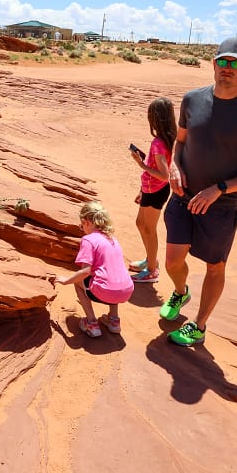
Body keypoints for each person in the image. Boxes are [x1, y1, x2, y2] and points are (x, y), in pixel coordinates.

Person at [159, 37, 237, 346]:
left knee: (215, 266)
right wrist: (173, 166)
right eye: (222, 61)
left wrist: (219, 189)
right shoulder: (192, 100)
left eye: (236, 63)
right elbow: (180, 141)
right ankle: (181, 291)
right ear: (213, 63)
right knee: (172, 261)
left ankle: (198, 325)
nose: (228, 68)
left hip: (223, 206)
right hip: (184, 196)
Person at [54, 201, 134, 337]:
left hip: (106, 291)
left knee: (78, 283)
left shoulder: (89, 240)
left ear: (86, 222)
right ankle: (114, 321)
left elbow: (85, 272)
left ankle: (91, 323)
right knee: (112, 278)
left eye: (81, 225)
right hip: (126, 291)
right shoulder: (112, 238)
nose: (82, 228)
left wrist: (66, 281)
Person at [128, 96, 177, 284]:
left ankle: (152, 271)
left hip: (156, 190)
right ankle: (150, 259)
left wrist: (141, 165)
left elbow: (164, 175)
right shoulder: (167, 138)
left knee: (149, 229)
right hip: (150, 189)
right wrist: (142, 190)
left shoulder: (158, 143)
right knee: (141, 224)